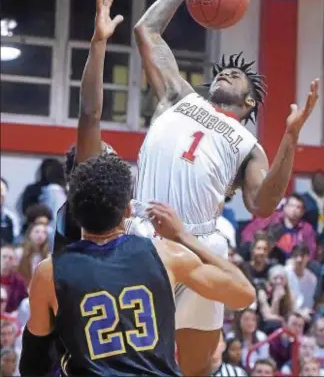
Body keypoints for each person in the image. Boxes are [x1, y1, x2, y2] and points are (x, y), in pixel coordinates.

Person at [132, 0, 319, 375]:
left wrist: (290, 136)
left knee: (198, 366)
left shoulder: (248, 145)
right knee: (137, 356)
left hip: (200, 247)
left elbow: (263, 204)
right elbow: (146, 30)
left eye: (238, 75)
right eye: (225, 70)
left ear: (250, 102)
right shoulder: (178, 96)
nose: (229, 72)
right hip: (144, 233)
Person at [19, 154, 255, 377]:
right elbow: (243, 294)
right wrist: (184, 236)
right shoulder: (165, 255)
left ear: (75, 211)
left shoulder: (50, 272)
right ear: (128, 210)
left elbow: (34, 362)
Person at [53, 0, 123, 254]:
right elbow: (90, 114)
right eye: (106, 153)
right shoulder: (83, 207)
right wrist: (98, 44)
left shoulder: (117, 214)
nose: (113, 155)